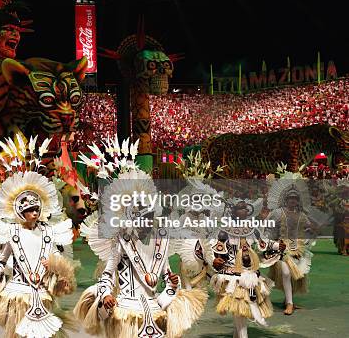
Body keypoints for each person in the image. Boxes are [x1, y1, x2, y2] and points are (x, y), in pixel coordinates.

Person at [74, 137, 207, 338]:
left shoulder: (161, 241)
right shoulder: (121, 241)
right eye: (142, 217)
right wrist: (106, 294)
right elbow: (107, 275)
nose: (147, 221)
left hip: (154, 308)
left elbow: (166, 276)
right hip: (127, 309)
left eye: (150, 216)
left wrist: (172, 282)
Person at [0, 135, 76, 338]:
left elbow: (57, 257)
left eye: (36, 209)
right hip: (19, 290)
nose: (34, 213)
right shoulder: (13, 233)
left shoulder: (48, 232)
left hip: (41, 289)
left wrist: (54, 265)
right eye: (30, 210)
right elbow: (2, 260)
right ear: (20, 212)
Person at [210, 198, 283, 338]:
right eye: (240, 208)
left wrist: (277, 246)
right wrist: (215, 260)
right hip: (232, 272)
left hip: (249, 271)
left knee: (242, 308)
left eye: (245, 208)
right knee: (240, 308)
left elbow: (265, 243)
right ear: (234, 211)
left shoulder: (252, 229)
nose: (244, 211)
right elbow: (214, 250)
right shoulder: (224, 231)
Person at [265, 173, 315, 315]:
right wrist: (271, 245)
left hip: (298, 249)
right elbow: (268, 229)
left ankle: (289, 299)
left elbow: (309, 229)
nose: (293, 201)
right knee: (286, 273)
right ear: (285, 199)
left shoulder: (302, 215)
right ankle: (289, 304)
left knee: (295, 275)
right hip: (281, 249)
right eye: (290, 198)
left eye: (295, 199)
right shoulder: (277, 213)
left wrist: (311, 231)